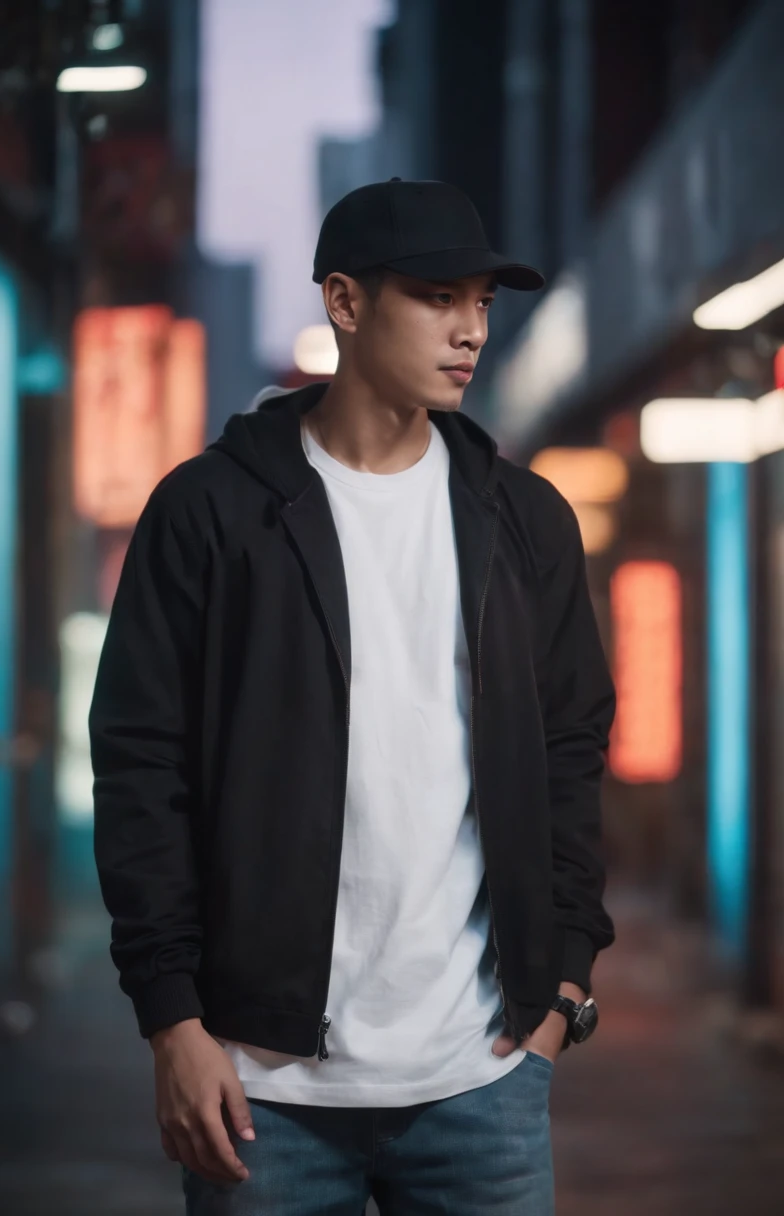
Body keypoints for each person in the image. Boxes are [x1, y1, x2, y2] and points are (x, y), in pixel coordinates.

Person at [90, 178, 616, 1215]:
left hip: (482, 1076)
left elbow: (570, 748)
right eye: (436, 297)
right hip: (261, 1089)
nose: (469, 330)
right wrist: (173, 1022)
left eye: (482, 303)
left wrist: (561, 987)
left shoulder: (524, 522)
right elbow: (140, 764)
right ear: (344, 301)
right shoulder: (211, 513)